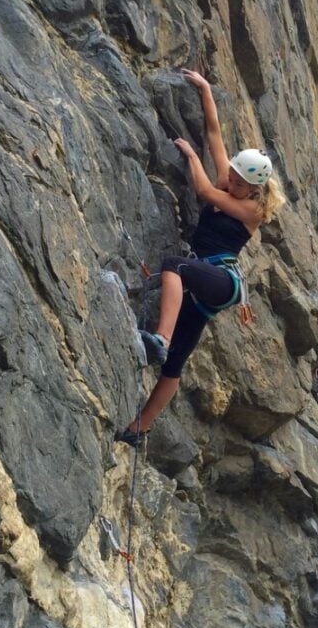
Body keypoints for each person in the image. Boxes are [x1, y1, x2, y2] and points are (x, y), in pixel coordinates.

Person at [116, 69, 286, 446]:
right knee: (176, 362)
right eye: (234, 176)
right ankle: (137, 430)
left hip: (223, 281)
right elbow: (214, 134)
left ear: (256, 189)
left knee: (173, 264)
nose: (233, 182)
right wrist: (206, 89)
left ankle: (159, 337)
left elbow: (206, 192)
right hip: (203, 285)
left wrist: (191, 156)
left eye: (241, 183)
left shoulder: (253, 210)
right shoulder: (234, 179)